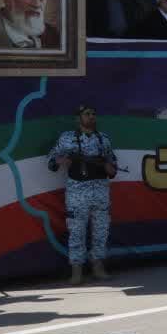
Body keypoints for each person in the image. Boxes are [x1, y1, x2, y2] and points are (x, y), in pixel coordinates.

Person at [47, 104, 118, 284]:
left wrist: (109, 167)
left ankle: (98, 266)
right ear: (78, 118)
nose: (91, 117)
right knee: (77, 230)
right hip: (78, 190)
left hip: (100, 189)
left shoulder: (104, 139)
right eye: (87, 114)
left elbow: (112, 165)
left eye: (94, 114)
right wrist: (62, 160)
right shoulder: (67, 139)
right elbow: (51, 160)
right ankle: (76, 270)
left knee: (101, 230)